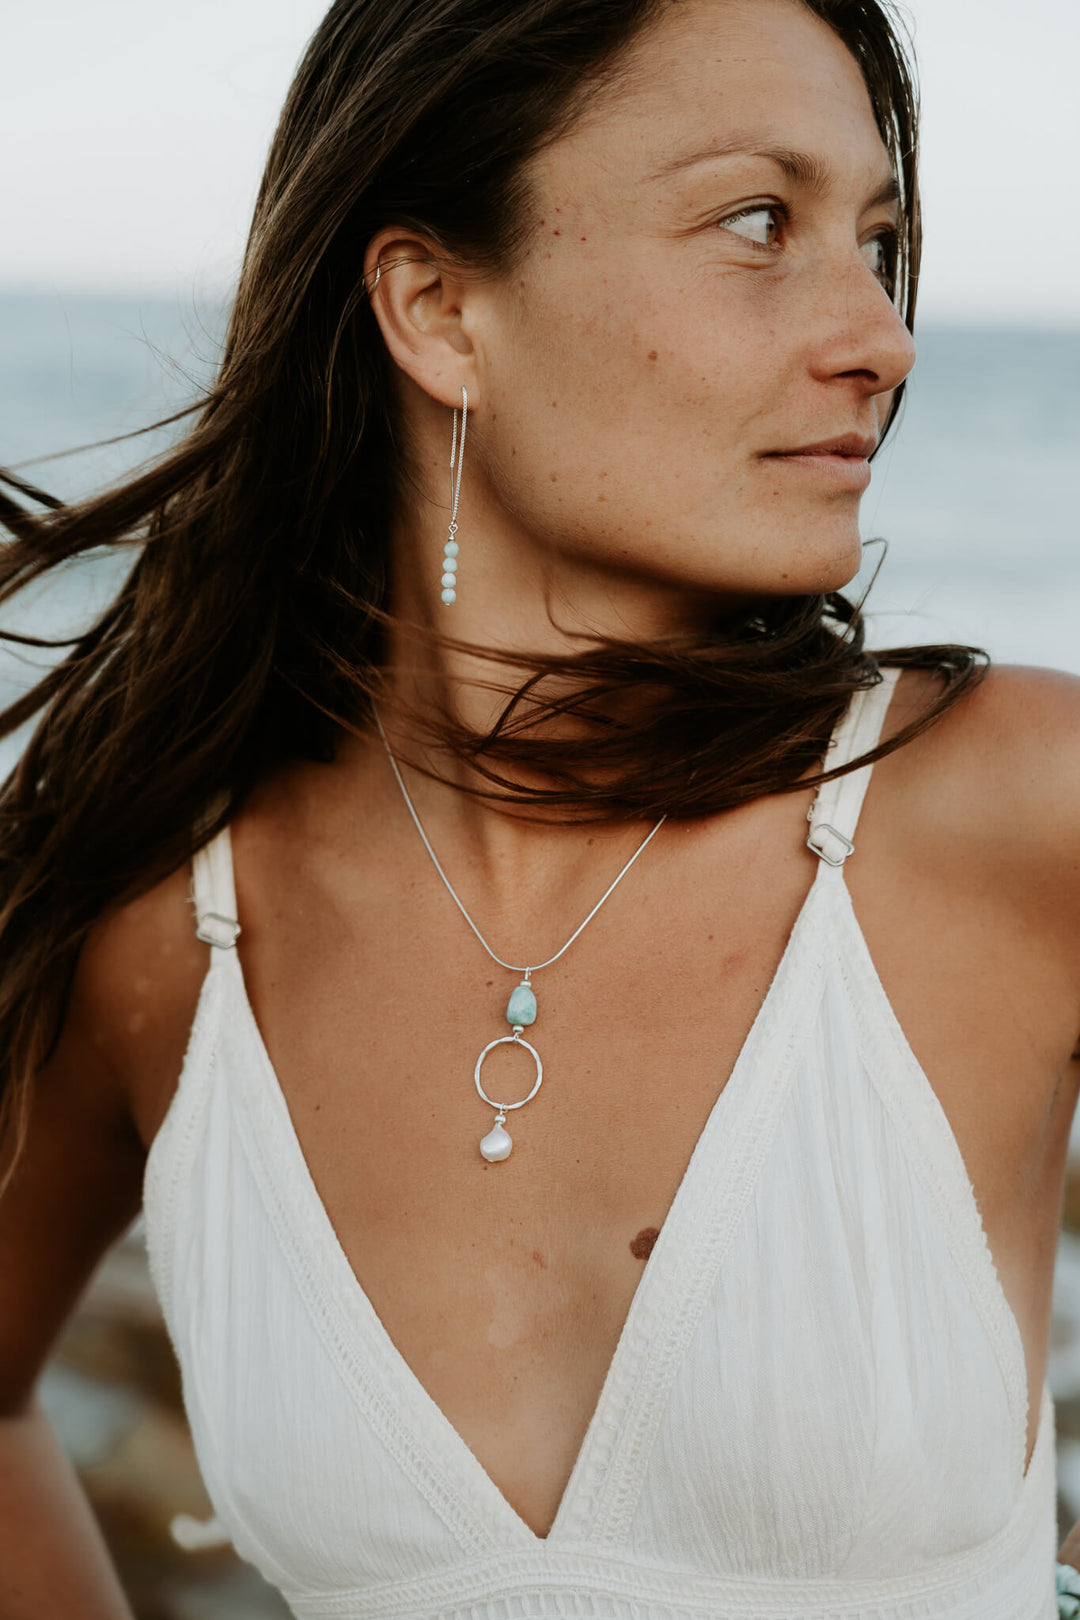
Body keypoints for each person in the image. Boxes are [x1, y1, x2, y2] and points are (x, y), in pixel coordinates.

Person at [1, 0, 1079, 1614]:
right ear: (437, 310)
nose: (880, 333)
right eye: (756, 221)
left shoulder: (1013, 808)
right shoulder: (177, 926)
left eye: (878, 237)